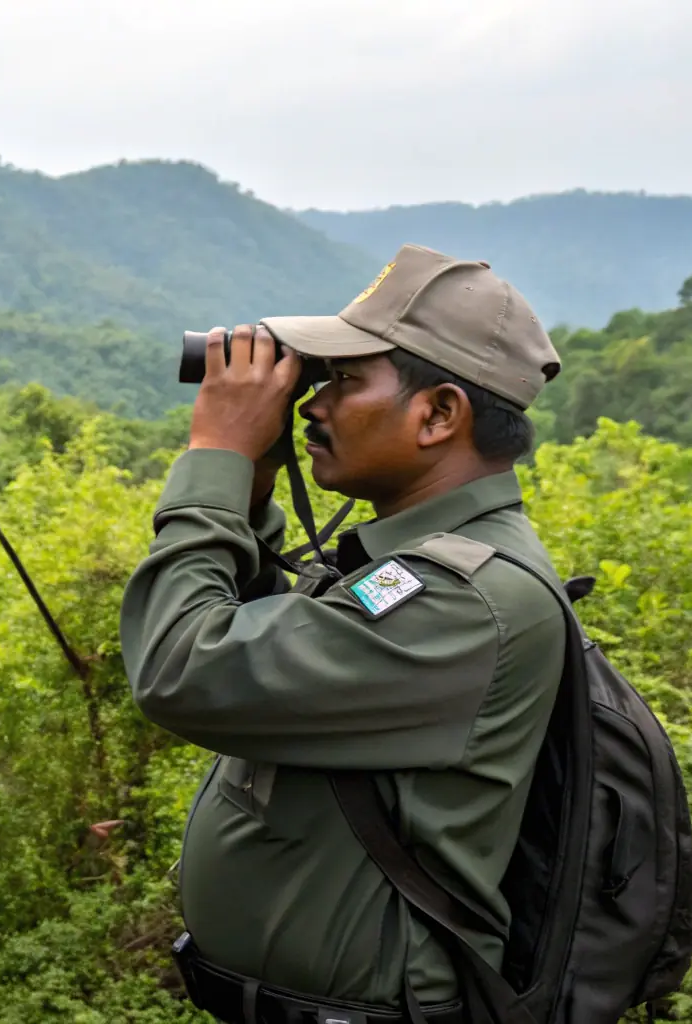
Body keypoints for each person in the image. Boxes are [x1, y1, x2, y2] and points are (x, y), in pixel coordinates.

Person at [119, 244, 567, 1023]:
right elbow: (264, 652)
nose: (311, 404)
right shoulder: (410, 567)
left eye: (345, 380)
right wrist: (252, 488)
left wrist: (215, 457)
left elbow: (183, 671)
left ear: (438, 414)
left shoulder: (462, 597)